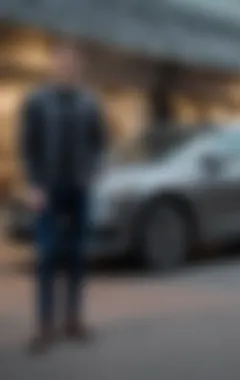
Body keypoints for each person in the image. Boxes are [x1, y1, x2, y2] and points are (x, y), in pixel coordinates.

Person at [20, 41, 107, 353]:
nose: (67, 66)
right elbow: (28, 146)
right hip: (48, 189)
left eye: (72, 61)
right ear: (53, 64)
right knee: (47, 256)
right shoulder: (39, 100)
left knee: (78, 255)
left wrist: (94, 170)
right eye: (61, 61)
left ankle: (73, 319)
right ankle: (45, 326)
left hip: (79, 189)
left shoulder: (89, 101)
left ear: (79, 65)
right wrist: (32, 184)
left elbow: (100, 142)